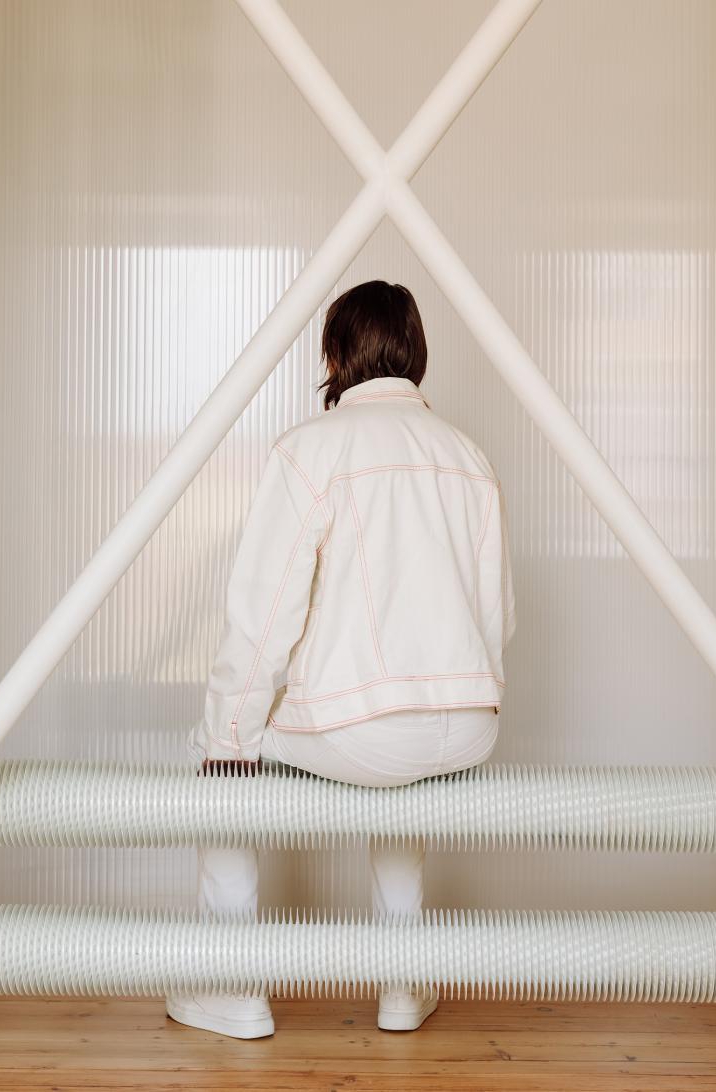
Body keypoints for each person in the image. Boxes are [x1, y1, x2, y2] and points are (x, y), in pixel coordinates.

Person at [166, 280, 516, 1038]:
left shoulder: (310, 450)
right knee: (403, 776)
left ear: (334, 356)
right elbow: (498, 618)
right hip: (467, 728)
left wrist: (228, 739)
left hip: (365, 735)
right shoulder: (470, 456)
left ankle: (232, 986)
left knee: (216, 746)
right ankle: (402, 983)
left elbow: (264, 616)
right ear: (415, 353)